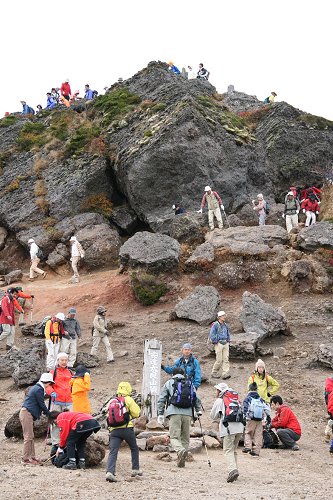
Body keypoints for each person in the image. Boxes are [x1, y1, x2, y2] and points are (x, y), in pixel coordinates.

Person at [157, 368, 202, 468]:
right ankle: (181, 459)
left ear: (173, 374)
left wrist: (160, 413)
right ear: (183, 374)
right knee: (185, 438)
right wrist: (198, 410)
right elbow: (196, 398)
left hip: (174, 412)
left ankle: (180, 451)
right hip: (188, 414)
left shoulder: (169, 382)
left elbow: (162, 399)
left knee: (174, 436)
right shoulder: (189, 383)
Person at [106, 381, 141, 482]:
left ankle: (109, 472)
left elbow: (107, 415)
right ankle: (135, 469)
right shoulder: (129, 399)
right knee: (134, 448)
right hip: (127, 428)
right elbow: (137, 412)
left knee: (113, 451)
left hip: (114, 430)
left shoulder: (112, 400)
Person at [210, 382, 244, 483]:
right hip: (240, 427)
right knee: (233, 451)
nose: (216, 391)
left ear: (220, 391)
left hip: (228, 428)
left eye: (217, 390)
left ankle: (232, 470)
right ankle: (235, 471)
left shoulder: (219, 401)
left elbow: (212, 416)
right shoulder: (235, 399)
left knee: (228, 450)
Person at [19, 373, 54, 465]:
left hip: (27, 413)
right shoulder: (39, 389)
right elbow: (41, 404)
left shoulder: (37, 388)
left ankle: (32, 457)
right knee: (28, 436)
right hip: (27, 413)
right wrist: (49, 414)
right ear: (47, 382)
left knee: (30, 436)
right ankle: (25, 459)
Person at [45, 352, 73, 445]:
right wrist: (51, 392)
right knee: (55, 421)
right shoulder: (53, 371)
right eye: (62, 360)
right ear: (58, 360)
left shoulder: (70, 372)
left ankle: (66, 440)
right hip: (57, 401)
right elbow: (47, 385)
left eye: (66, 360)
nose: (64, 362)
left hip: (69, 401)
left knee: (68, 422)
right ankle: (56, 442)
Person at [242, 382, 271, 456]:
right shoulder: (260, 399)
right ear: (256, 389)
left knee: (248, 433)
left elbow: (245, 408)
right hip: (259, 420)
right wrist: (267, 418)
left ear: (249, 389)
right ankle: (256, 451)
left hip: (251, 419)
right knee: (258, 435)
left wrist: (244, 417)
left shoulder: (248, 398)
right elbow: (267, 409)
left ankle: (248, 447)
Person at [209, 310, 231, 380]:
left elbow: (228, 333)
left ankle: (225, 373)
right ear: (219, 317)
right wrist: (216, 341)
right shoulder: (215, 325)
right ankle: (214, 372)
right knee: (219, 360)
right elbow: (212, 334)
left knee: (226, 359)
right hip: (219, 344)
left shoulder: (225, 325)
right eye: (223, 316)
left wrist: (228, 341)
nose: (225, 317)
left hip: (225, 343)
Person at [324, 376, 333, 446]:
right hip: (331, 409)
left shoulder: (328, 384)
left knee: (331, 422)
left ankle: (327, 435)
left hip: (330, 409)